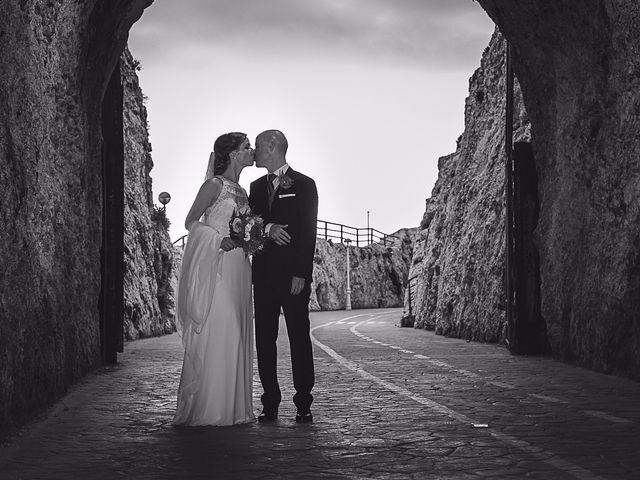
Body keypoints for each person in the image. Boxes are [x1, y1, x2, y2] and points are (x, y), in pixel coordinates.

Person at [173, 132, 255, 426]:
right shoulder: (214, 186)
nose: (252, 151)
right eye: (247, 147)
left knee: (240, 328)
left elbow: (246, 227)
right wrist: (217, 240)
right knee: (224, 326)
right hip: (217, 265)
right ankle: (212, 409)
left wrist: (252, 238)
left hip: (240, 268)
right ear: (233, 153)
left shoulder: (243, 191)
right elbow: (191, 221)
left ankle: (236, 409)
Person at [249, 129, 319, 423]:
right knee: (264, 340)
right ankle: (270, 401)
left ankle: (303, 401)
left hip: (293, 277)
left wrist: (301, 273)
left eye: (258, 146)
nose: (254, 151)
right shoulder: (253, 187)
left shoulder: (304, 184)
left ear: (273, 146)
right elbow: (248, 225)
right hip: (263, 276)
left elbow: (308, 231)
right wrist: (266, 229)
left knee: (298, 337)